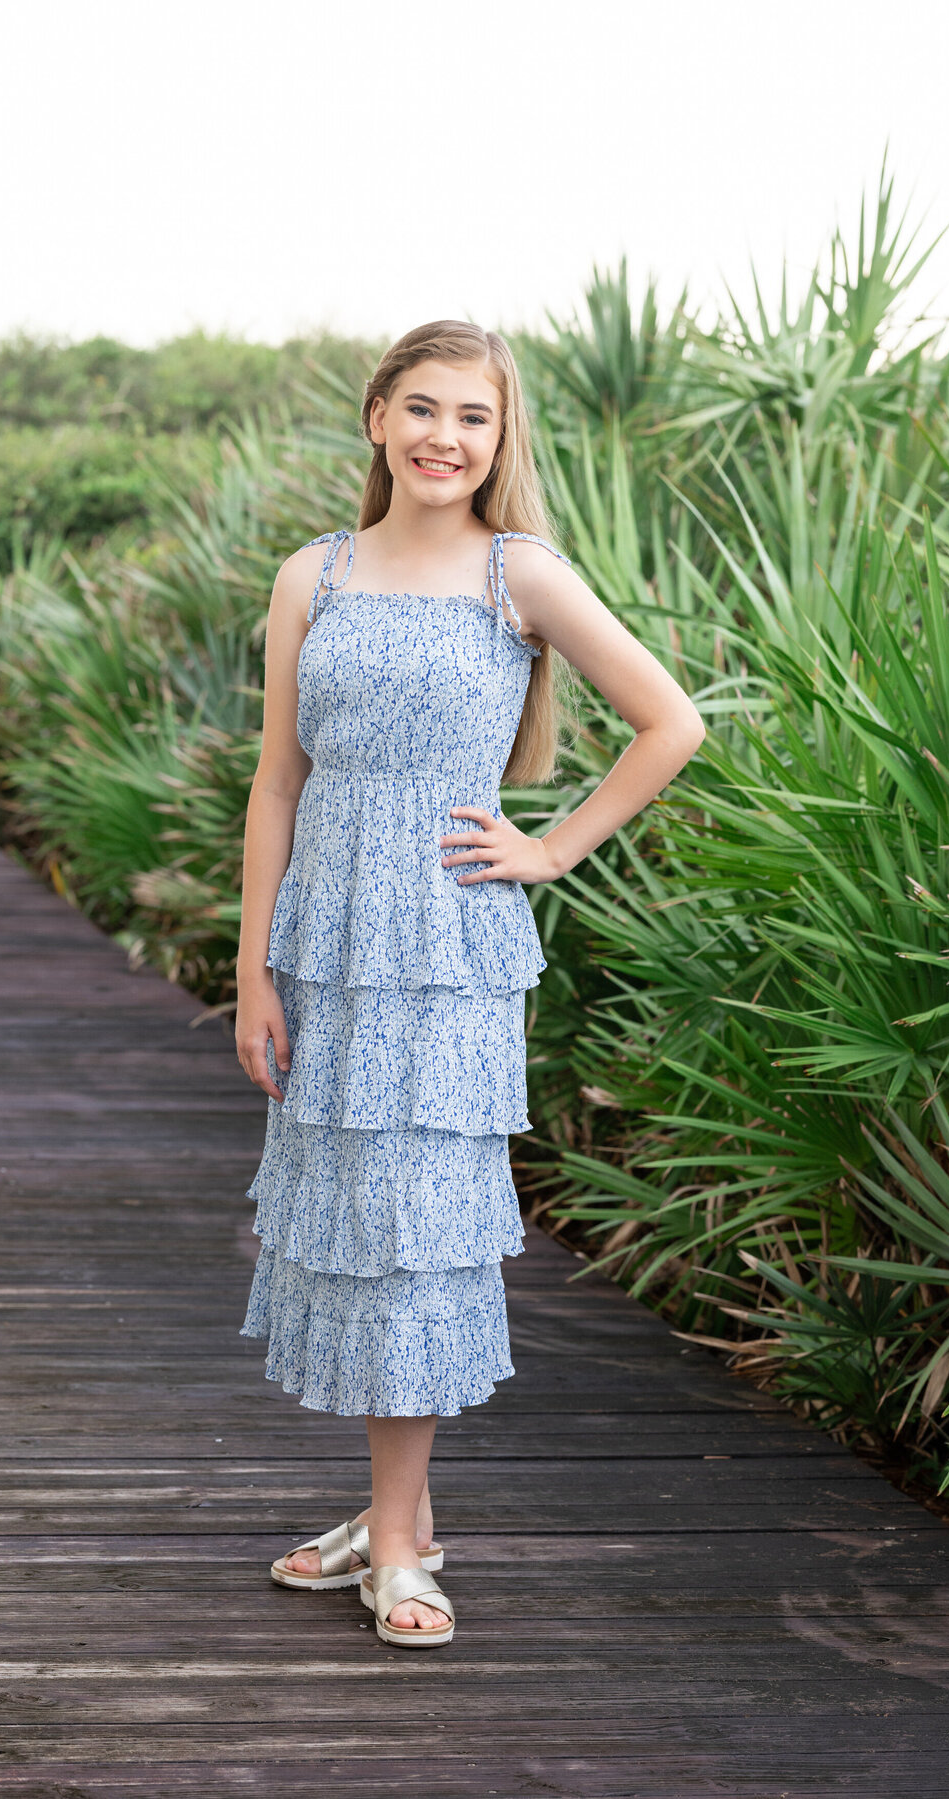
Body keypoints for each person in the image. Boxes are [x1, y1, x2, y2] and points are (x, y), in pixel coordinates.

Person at [234, 319, 705, 1649]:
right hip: (326, 948)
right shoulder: (310, 577)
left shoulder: (522, 574)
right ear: (378, 416)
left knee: (419, 1226)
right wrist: (253, 965)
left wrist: (549, 847)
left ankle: (397, 1542)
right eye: (424, 407)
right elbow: (279, 784)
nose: (448, 435)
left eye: (477, 417)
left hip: (445, 951)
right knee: (356, 1220)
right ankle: (399, 1525)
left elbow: (673, 721)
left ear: (502, 440)